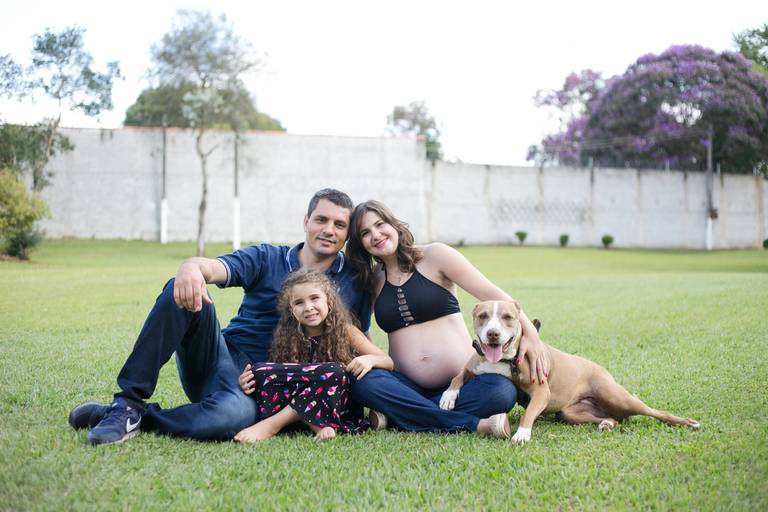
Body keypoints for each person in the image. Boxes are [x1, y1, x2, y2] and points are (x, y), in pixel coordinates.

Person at [68, 189, 371, 444]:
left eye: (339, 224)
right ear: (306, 221)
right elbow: (215, 268)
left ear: (347, 234)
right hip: (222, 360)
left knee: (230, 418)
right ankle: (127, 403)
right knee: (183, 288)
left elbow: (358, 341)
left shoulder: (354, 281)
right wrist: (191, 267)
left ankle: (133, 418)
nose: (329, 230)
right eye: (321, 219)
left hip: (268, 387)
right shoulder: (266, 257)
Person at [346, 200, 549, 437]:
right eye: (365, 233)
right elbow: (361, 328)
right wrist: (373, 358)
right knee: (363, 382)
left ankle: (400, 414)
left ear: (394, 224)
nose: (376, 235)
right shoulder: (372, 279)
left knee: (502, 393)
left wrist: (531, 335)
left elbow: (491, 293)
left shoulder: (436, 255)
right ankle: (473, 423)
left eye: (380, 224)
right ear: (360, 243)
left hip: (463, 383)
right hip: (406, 384)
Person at [234, 269, 393, 442]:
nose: (308, 307)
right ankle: (313, 423)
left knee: (334, 371)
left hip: (336, 402)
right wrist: (248, 380)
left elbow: (388, 361)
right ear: (291, 310)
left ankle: (273, 424)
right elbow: (284, 378)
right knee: (259, 371)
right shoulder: (289, 336)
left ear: (329, 301)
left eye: (315, 298)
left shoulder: (346, 331)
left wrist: (369, 359)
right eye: (299, 303)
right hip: (304, 398)